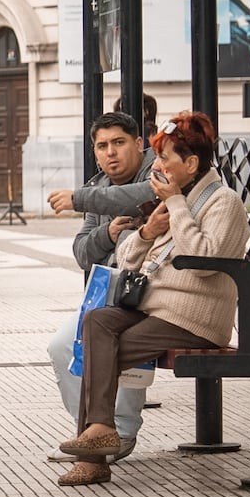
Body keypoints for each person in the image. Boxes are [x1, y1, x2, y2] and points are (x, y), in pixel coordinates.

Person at [57, 111, 250, 487]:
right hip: (156, 309)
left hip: (193, 318)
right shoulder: (177, 200)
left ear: (190, 164)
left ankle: (92, 458)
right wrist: (146, 232)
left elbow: (204, 263)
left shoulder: (221, 202)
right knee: (96, 323)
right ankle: (101, 432)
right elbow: (129, 259)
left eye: (164, 158)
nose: (157, 166)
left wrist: (175, 206)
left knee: (100, 351)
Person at [45, 112, 156, 466]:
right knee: (62, 346)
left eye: (119, 143)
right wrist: (107, 234)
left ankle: (121, 432)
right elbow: (82, 252)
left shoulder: (156, 172)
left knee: (115, 339)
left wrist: (82, 199)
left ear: (139, 144)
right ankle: (90, 431)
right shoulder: (98, 187)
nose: (111, 153)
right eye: (102, 146)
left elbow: (140, 196)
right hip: (112, 295)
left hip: (154, 294)